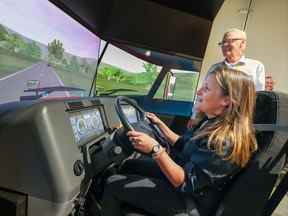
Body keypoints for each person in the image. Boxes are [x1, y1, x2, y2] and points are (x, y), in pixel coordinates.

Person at [101, 67, 258, 216]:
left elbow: (185, 182)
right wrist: (160, 125)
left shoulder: (224, 141)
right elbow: (184, 144)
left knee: (112, 184)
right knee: (129, 165)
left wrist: (155, 149)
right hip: (183, 179)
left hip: (189, 201)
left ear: (226, 101)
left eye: (207, 89)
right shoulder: (210, 122)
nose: (199, 92)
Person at [187, 28, 265, 129]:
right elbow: (203, 92)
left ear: (242, 44)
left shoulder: (256, 67)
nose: (224, 45)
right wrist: (194, 116)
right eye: (222, 43)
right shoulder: (215, 68)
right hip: (211, 120)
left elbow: (256, 98)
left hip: (236, 123)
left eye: (229, 42)